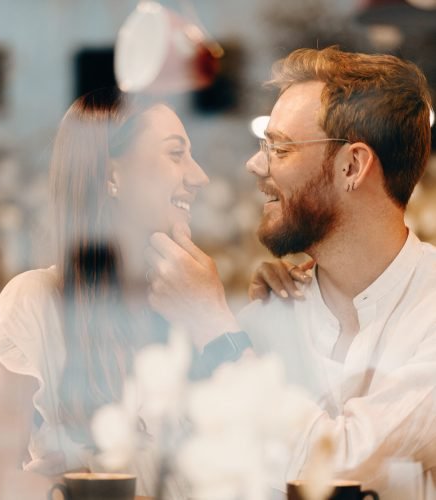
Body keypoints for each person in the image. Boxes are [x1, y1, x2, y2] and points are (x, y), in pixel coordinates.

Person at [145, 46, 436, 495]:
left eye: (279, 147)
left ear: (352, 166)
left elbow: (339, 467)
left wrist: (217, 332)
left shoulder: (234, 342)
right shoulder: (264, 319)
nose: (254, 164)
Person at [0, 89, 209, 500]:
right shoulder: (36, 302)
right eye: (176, 154)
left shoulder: (185, 307)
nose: (199, 176)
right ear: (112, 175)